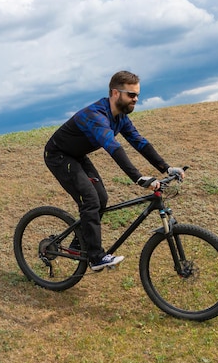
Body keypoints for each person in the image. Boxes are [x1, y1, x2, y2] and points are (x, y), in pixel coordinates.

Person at [44, 70, 185, 271]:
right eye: (131, 95)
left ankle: (78, 245)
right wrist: (137, 178)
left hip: (76, 156)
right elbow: (113, 148)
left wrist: (166, 167)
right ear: (115, 93)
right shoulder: (96, 116)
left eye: (137, 95)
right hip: (58, 156)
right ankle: (96, 258)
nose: (136, 99)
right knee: (91, 200)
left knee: (101, 198)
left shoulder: (120, 118)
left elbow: (140, 142)